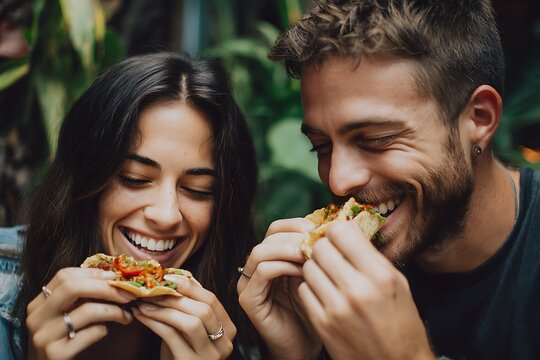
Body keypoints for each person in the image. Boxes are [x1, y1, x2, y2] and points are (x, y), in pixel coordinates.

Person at [237, 1, 540, 359]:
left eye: (375, 139)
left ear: (479, 118)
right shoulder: (326, 291)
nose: (338, 181)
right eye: (320, 147)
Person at [0, 52, 258, 359]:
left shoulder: (243, 328)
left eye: (199, 190)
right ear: (84, 176)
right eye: (134, 179)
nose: (165, 215)